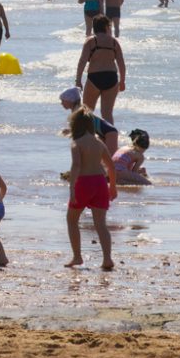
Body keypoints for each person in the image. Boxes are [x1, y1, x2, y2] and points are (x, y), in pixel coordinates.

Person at [64, 106, 118, 270]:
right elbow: (111, 166)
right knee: (101, 224)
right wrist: (113, 187)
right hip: (100, 183)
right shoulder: (99, 143)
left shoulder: (76, 144)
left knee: (72, 220)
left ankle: (77, 256)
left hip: (83, 183)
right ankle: (107, 259)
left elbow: (76, 166)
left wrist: (72, 188)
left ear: (75, 125)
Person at [75, 16, 126, 124]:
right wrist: (122, 81)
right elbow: (121, 63)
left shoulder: (90, 41)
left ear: (94, 27)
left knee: (87, 111)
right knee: (107, 113)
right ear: (106, 27)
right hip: (111, 78)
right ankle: (110, 137)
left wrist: (78, 80)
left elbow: (82, 62)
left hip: (94, 77)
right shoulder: (114, 42)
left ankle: (88, 137)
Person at [58, 87, 118, 155]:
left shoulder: (79, 112)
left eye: (63, 100)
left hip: (109, 132)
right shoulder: (77, 110)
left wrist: (70, 131)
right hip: (105, 132)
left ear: (70, 100)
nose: (61, 103)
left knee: (111, 159)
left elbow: (81, 131)